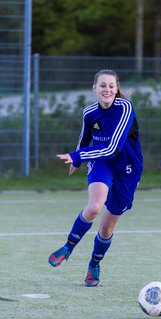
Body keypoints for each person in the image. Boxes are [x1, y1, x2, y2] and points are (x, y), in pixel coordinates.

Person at [48, 69, 143, 286]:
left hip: (128, 167)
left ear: (116, 88)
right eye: (102, 85)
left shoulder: (125, 108)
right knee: (94, 208)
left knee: (107, 228)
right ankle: (68, 247)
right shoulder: (89, 112)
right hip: (101, 162)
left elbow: (112, 148)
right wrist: (78, 160)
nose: (107, 89)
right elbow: (85, 138)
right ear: (94, 88)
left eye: (111, 85)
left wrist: (77, 155)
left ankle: (94, 265)